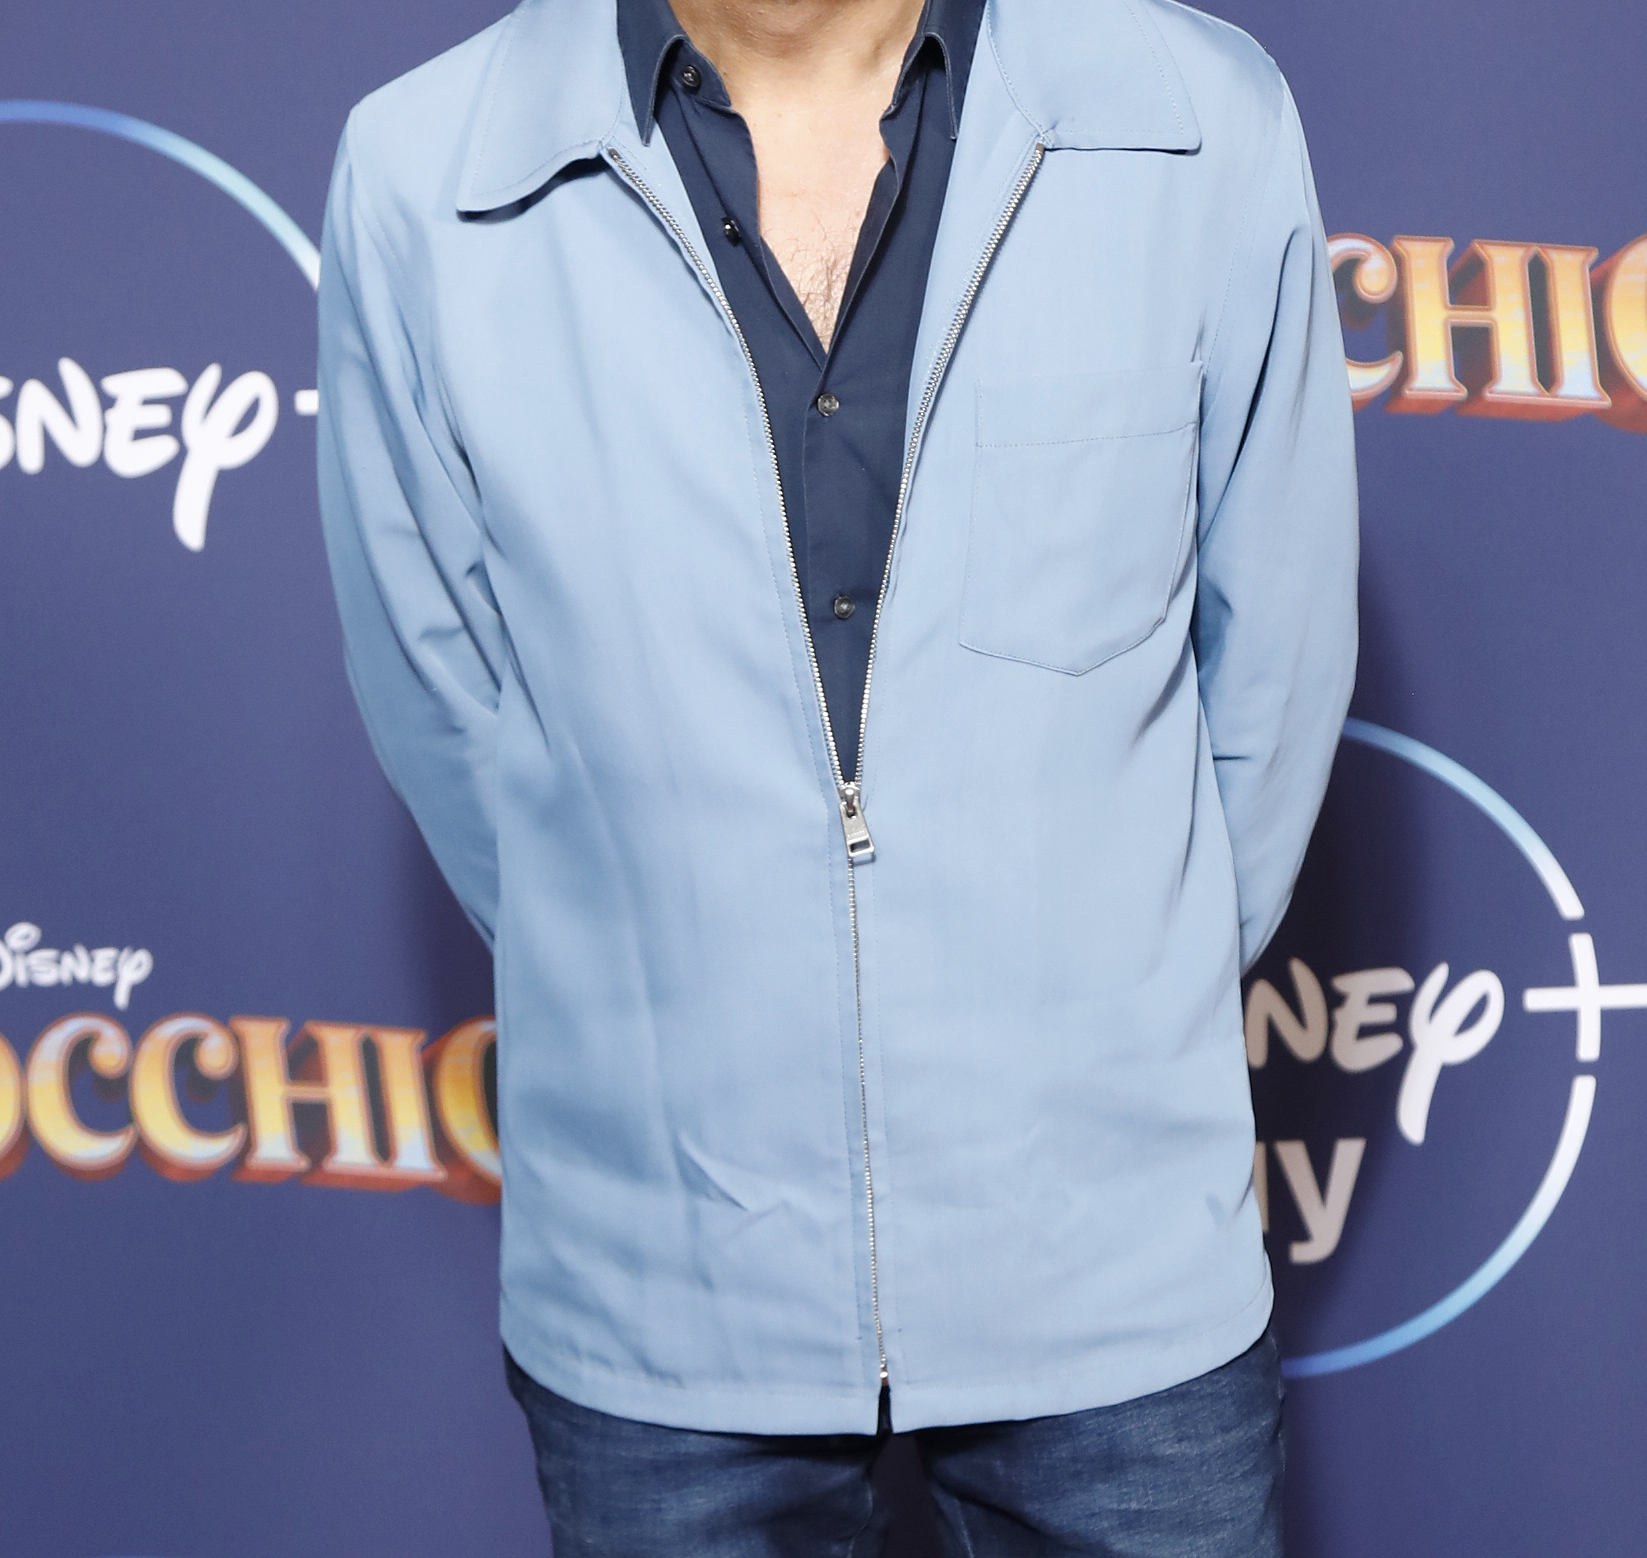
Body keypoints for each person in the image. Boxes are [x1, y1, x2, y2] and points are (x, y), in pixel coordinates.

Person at [315, 0, 1357, 1543]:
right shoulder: (424, 168)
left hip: (1113, 1263)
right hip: (660, 1288)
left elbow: (1269, 665)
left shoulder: (1196, 115)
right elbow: (448, 708)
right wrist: (665, 1006)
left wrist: (1113, 1021)